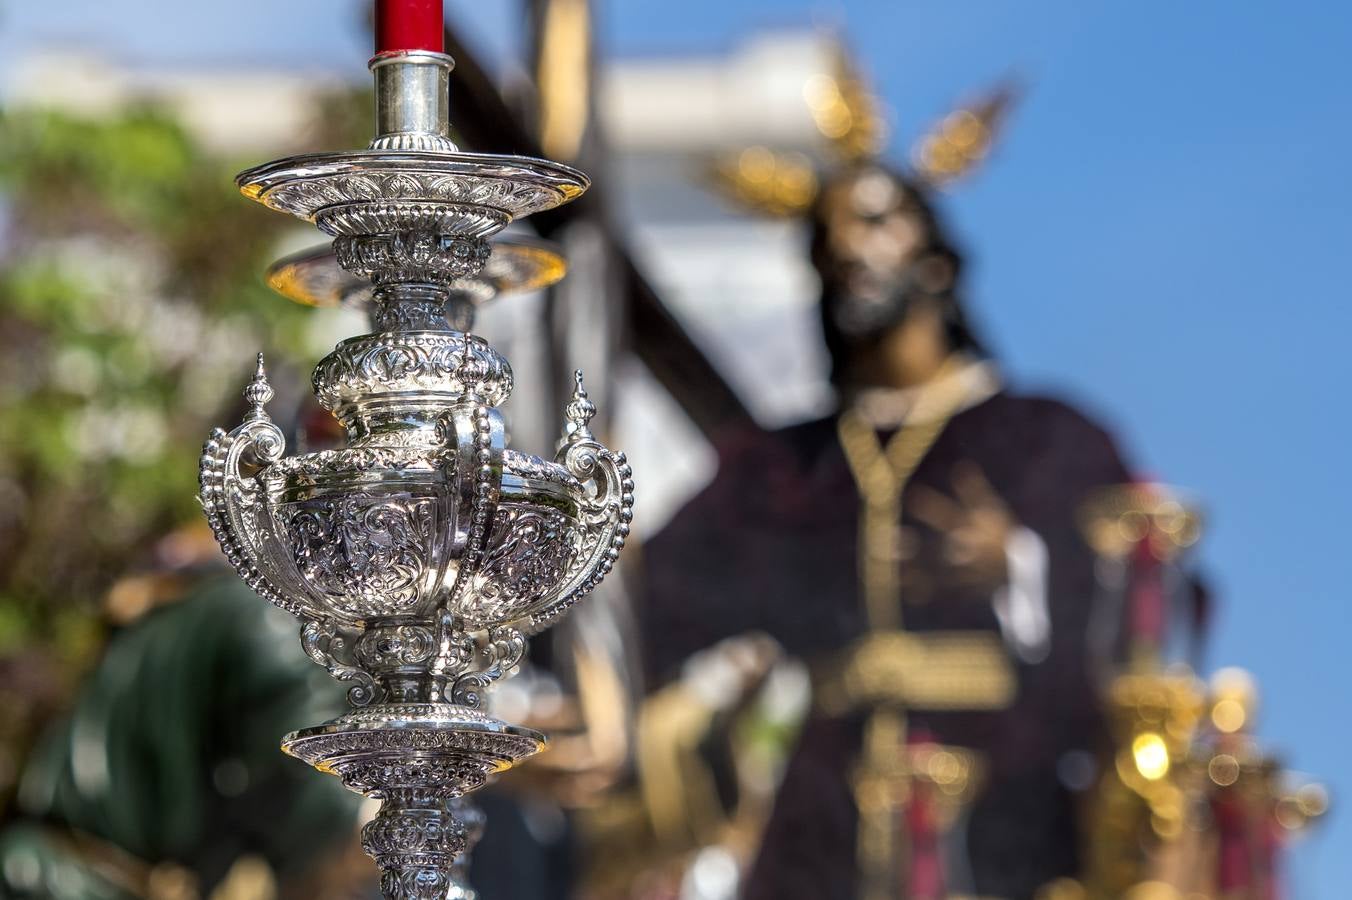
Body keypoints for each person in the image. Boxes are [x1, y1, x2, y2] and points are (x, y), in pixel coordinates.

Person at [641, 160, 1133, 900]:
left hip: (1005, 813)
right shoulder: (781, 467)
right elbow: (650, 597)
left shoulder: (1047, 438)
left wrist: (1019, 565)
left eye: (873, 221)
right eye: (824, 236)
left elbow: (1151, 598)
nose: (844, 247)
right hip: (822, 826)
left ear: (938, 262)